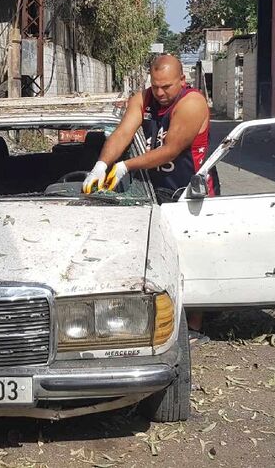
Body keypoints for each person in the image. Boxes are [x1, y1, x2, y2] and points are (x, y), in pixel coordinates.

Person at [82, 54, 218, 345]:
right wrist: (102, 164)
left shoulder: (191, 104)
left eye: (166, 86)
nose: (160, 93)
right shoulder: (141, 99)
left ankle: (195, 325)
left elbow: (170, 151)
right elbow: (123, 132)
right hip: (157, 186)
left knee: (190, 253)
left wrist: (125, 166)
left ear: (182, 81)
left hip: (190, 187)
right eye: (155, 86)